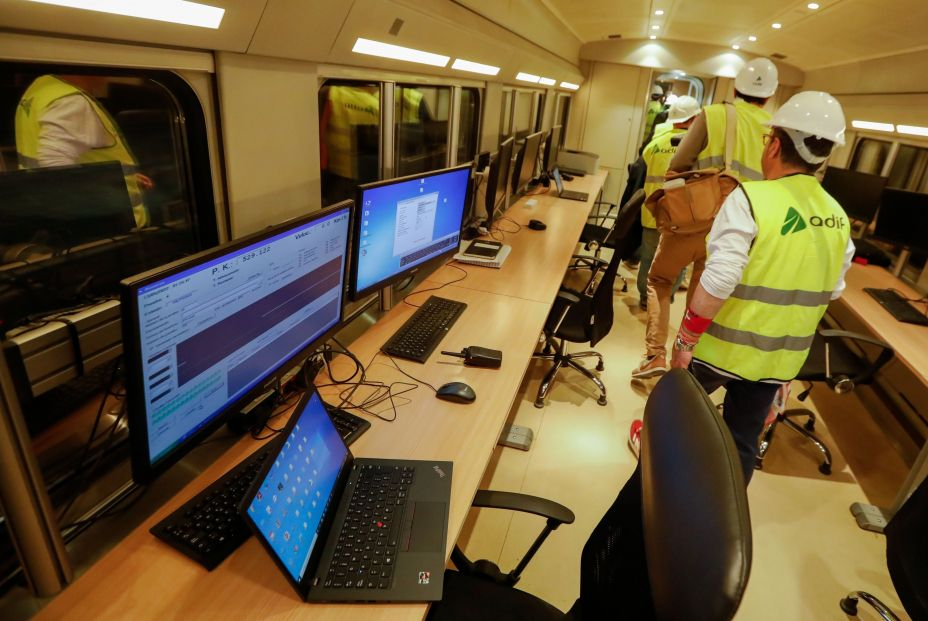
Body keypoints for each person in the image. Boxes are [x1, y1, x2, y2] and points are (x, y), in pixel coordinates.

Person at [631, 92, 855, 485]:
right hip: (778, 362)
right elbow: (831, 289)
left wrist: (683, 344)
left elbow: (717, 282)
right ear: (824, 155)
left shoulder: (750, 199)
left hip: (720, 350)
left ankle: (655, 494)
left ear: (774, 145)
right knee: (741, 444)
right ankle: (720, 516)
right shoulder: (838, 217)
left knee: (675, 424)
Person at [631, 58, 779, 380]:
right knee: (703, 295)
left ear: (736, 88)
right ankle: (686, 361)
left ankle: (654, 355)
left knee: (660, 281)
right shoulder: (775, 131)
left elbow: (679, 163)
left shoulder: (713, 115)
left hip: (694, 222)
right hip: (739, 233)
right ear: (768, 97)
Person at [15, 74, 152, 228]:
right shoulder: (70, 101)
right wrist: (110, 185)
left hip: (46, 209)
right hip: (107, 226)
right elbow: (56, 170)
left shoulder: (42, 87)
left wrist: (121, 177)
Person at [636, 95, 701, 310]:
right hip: (680, 217)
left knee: (648, 259)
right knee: (677, 262)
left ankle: (645, 298)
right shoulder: (696, 148)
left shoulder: (655, 143)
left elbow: (641, 168)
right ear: (693, 120)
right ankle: (665, 300)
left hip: (652, 212)